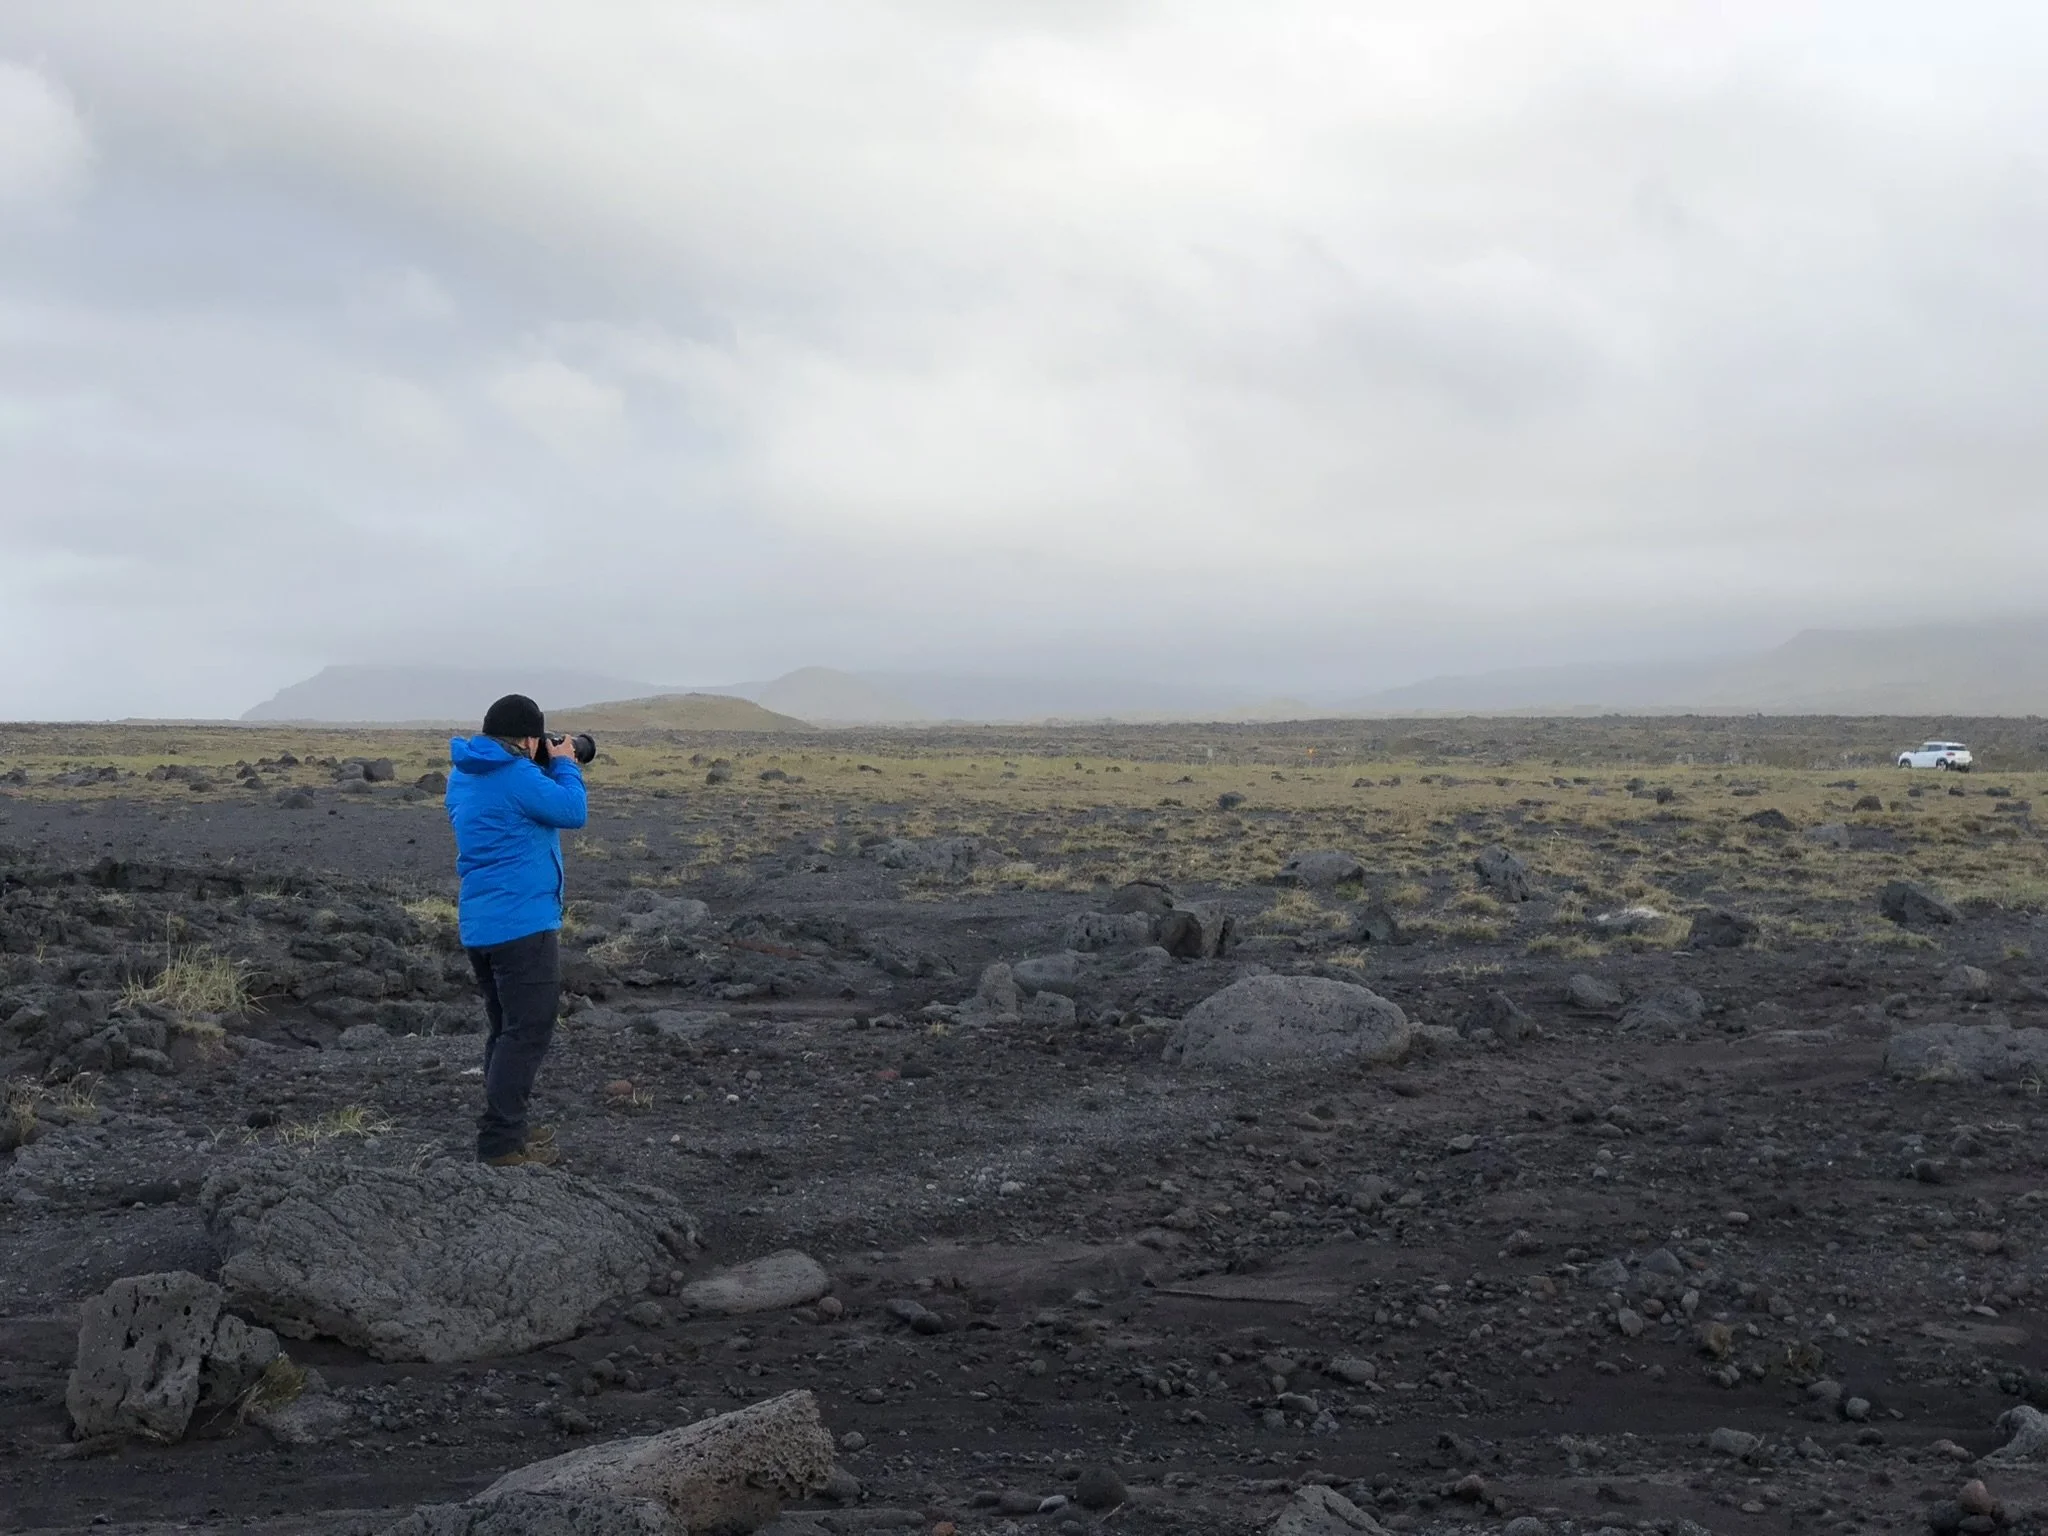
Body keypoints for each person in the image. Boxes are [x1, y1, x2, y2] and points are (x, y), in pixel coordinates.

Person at [445, 693, 588, 1166]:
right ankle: (501, 1145)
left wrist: (538, 766)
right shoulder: (520, 776)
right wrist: (565, 762)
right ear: (529, 739)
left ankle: (509, 1131)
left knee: (505, 1030)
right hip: (524, 925)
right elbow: (572, 811)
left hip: (482, 926)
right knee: (527, 1033)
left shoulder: (463, 775)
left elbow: (513, 805)